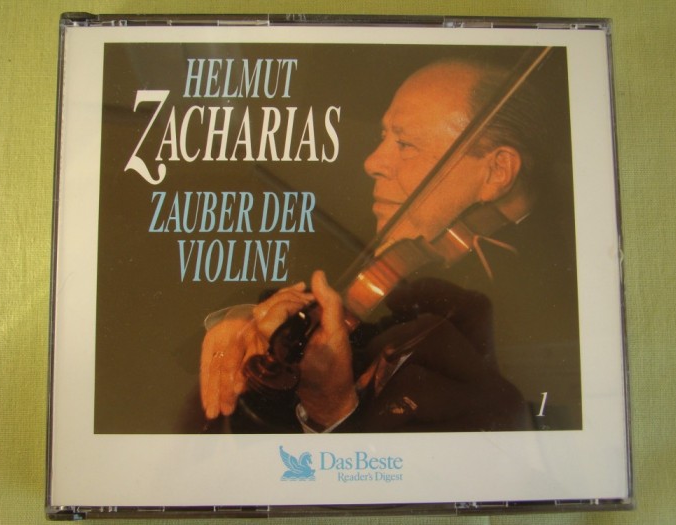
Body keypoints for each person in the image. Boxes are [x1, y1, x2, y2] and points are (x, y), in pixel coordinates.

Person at [199, 56, 576, 433]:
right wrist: (243, 319)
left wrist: (333, 408)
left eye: (405, 143)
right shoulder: (397, 242)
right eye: (384, 137)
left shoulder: (555, 304)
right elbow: (300, 283)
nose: (371, 162)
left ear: (496, 172)